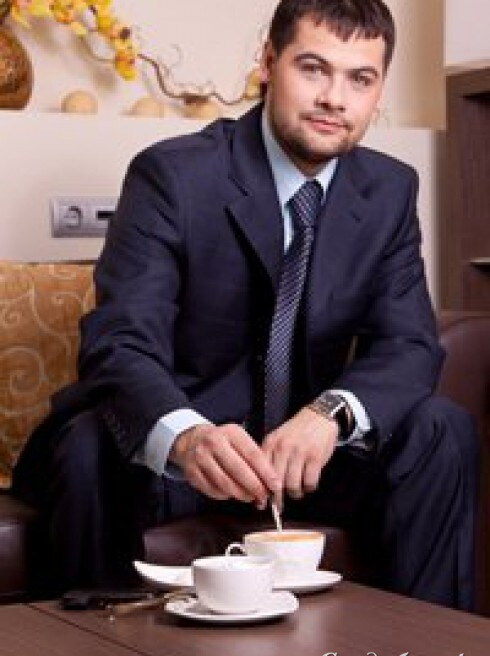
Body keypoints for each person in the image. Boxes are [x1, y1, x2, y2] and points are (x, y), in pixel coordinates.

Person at [12, 0, 478, 610]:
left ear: (378, 90)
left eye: (360, 79)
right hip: (186, 457)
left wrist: (329, 414)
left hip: (305, 460)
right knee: (89, 445)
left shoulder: (389, 189)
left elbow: (408, 343)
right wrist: (188, 438)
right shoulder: (173, 175)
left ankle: (424, 651)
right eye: (313, 68)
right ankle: (102, 650)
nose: (334, 98)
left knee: (441, 429)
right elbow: (121, 340)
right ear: (268, 62)